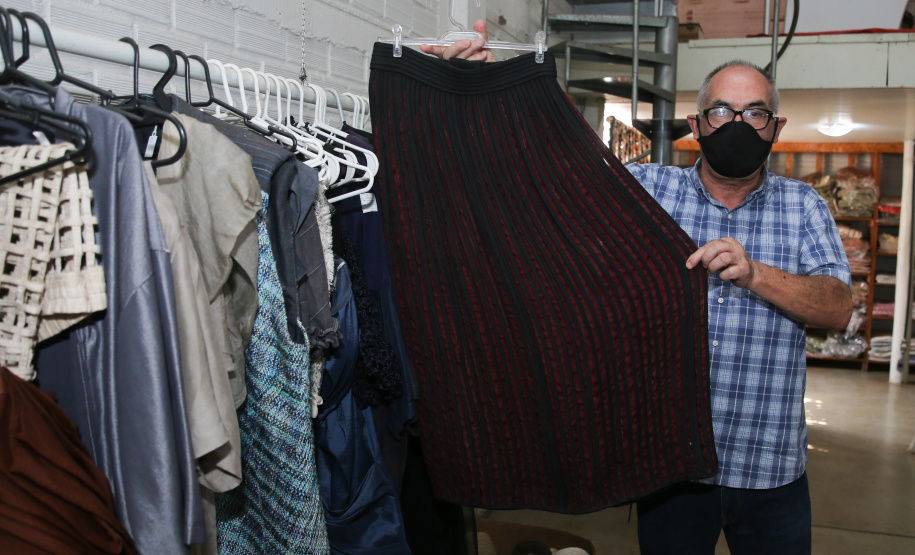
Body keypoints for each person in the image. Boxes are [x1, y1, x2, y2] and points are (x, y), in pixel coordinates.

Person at [424, 30, 852, 554]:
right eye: (721, 111)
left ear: (775, 128)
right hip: (672, 469)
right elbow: (545, 174)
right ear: (696, 125)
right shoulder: (649, 190)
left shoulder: (804, 205)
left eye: (754, 113)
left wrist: (755, 274)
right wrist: (486, 83)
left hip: (770, 468)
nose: (737, 124)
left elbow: (837, 306)